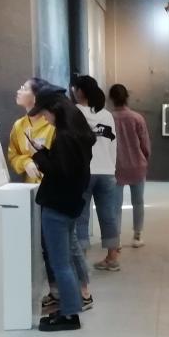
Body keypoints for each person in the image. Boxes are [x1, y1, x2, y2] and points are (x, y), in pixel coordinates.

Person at [8, 78, 93, 313]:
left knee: (61, 258)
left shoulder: (63, 133)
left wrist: (39, 157)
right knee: (58, 256)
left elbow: (61, 169)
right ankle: (67, 300)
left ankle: (74, 303)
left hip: (57, 202)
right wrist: (30, 159)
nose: (19, 90)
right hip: (54, 199)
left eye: (25, 88)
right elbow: (15, 155)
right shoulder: (20, 126)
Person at [71, 75, 121, 271]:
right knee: (108, 215)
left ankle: (81, 261)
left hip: (84, 172)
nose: (73, 92)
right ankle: (112, 258)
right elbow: (113, 145)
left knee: (81, 216)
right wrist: (111, 168)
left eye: (75, 88)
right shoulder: (106, 115)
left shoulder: (74, 112)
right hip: (106, 172)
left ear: (80, 91)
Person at [109, 84, 150, 249]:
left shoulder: (108, 118)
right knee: (138, 202)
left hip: (116, 167)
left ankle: (116, 239)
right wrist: (145, 158)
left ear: (111, 98)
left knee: (115, 205)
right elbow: (145, 144)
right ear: (127, 97)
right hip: (137, 166)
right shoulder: (137, 118)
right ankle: (137, 236)